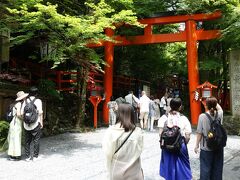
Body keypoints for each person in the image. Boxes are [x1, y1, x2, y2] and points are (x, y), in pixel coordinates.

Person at [102, 103, 144, 180]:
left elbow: (108, 153)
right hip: (135, 172)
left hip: (117, 172)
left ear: (119, 114)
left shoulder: (111, 131)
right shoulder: (138, 132)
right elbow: (140, 150)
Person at [158, 97, 192, 180]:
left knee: (169, 167)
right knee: (183, 167)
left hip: (167, 146)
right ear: (180, 107)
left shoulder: (163, 118)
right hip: (180, 145)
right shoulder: (183, 118)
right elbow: (187, 135)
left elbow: (160, 134)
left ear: (170, 106)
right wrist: (184, 142)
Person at [194, 97, 224, 180]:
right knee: (218, 168)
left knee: (205, 169)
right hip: (218, 146)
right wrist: (213, 102)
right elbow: (219, 108)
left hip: (206, 147)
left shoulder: (202, 116)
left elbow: (199, 132)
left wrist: (196, 145)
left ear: (206, 105)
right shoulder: (219, 114)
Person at [23, 87, 43, 161]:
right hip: (36, 123)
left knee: (27, 141)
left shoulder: (25, 101)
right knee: (36, 140)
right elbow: (40, 113)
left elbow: (22, 113)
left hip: (26, 124)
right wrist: (41, 122)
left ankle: (27, 157)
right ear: (36, 93)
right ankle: (35, 157)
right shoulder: (38, 101)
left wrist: (26, 120)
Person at [7, 91, 29, 161]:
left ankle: (12, 154)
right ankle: (15, 155)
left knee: (13, 139)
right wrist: (24, 119)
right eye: (24, 97)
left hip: (13, 123)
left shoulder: (15, 103)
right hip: (16, 123)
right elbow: (19, 114)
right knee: (16, 139)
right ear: (22, 98)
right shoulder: (19, 104)